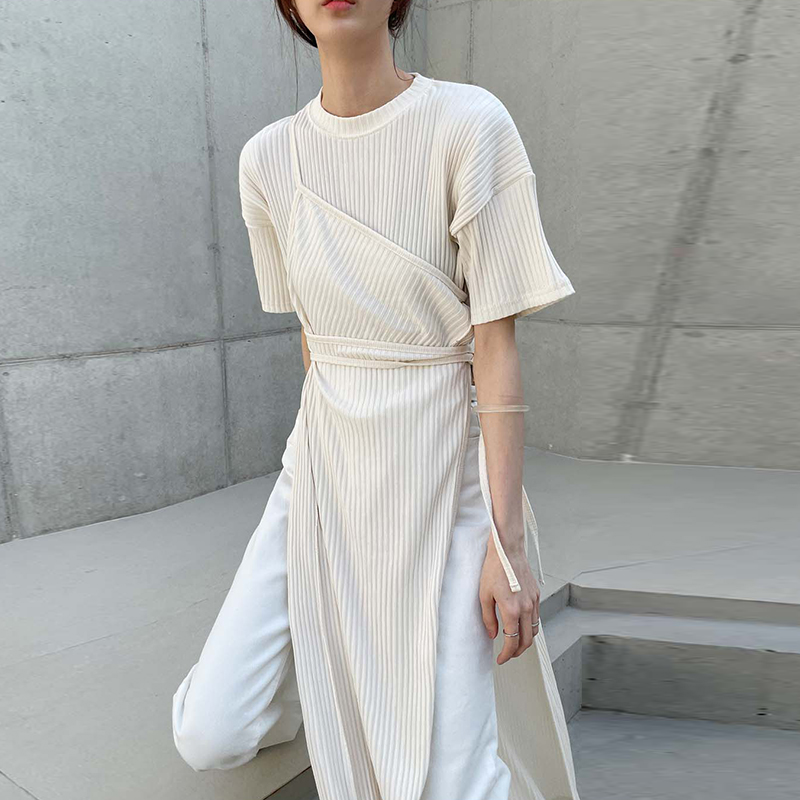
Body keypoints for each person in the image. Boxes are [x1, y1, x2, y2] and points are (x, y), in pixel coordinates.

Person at [172, 1, 580, 798]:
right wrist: (318, 474)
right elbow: (314, 337)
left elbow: (495, 349)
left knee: (445, 782)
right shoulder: (266, 159)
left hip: (444, 461)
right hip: (324, 462)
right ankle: (323, 673)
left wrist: (506, 546)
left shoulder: (468, 122)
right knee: (210, 733)